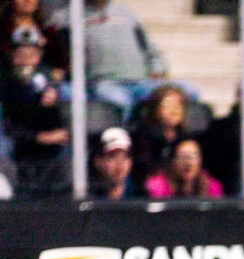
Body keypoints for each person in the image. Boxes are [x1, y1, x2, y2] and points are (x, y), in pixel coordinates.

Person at [51, 0, 168, 115]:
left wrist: (157, 67)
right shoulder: (67, 17)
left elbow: (148, 46)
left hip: (141, 81)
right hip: (103, 83)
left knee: (179, 93)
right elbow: (56, 48)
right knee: (120, 102)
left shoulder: (126, 13)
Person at [2, 23, 68, 197]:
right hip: (18, 141)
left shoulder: (47, 83)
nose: (25, 61)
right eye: (20, 55)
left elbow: (60, 122)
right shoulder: (5, 83)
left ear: (39, 56)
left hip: (46, 143)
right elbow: (8, 126)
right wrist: (38, 137)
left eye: (31, 55)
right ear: (11, 56)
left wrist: (53, 106)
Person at [129, 83, 190, 186]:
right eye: (167, 106)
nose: (174, 111)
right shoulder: (142, 136)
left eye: (178, 105)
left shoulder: (186, 137)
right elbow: (143, 169)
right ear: (155, 109)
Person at [144, 136, 224, 198]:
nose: (188, 162)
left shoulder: (212, 187)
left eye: (193, 156)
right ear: (172, 160)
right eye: (182, 156)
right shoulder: (157, 186)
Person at [89, 125, 141, 198]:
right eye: (112, 156)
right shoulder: (88, 196)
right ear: (97, 161)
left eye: (125, 156)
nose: (119, 163)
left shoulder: (140, 194)